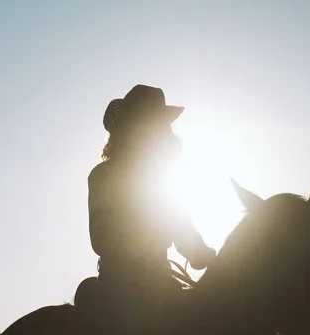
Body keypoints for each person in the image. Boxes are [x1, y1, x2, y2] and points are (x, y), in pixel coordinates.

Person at [87, 84, 216, 312]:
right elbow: (101, 237)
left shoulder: (163, 178)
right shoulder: (103, 175)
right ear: (131, 128)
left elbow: (184, 233)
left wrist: (208, 256)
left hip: (160, 281)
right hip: (117, 287)